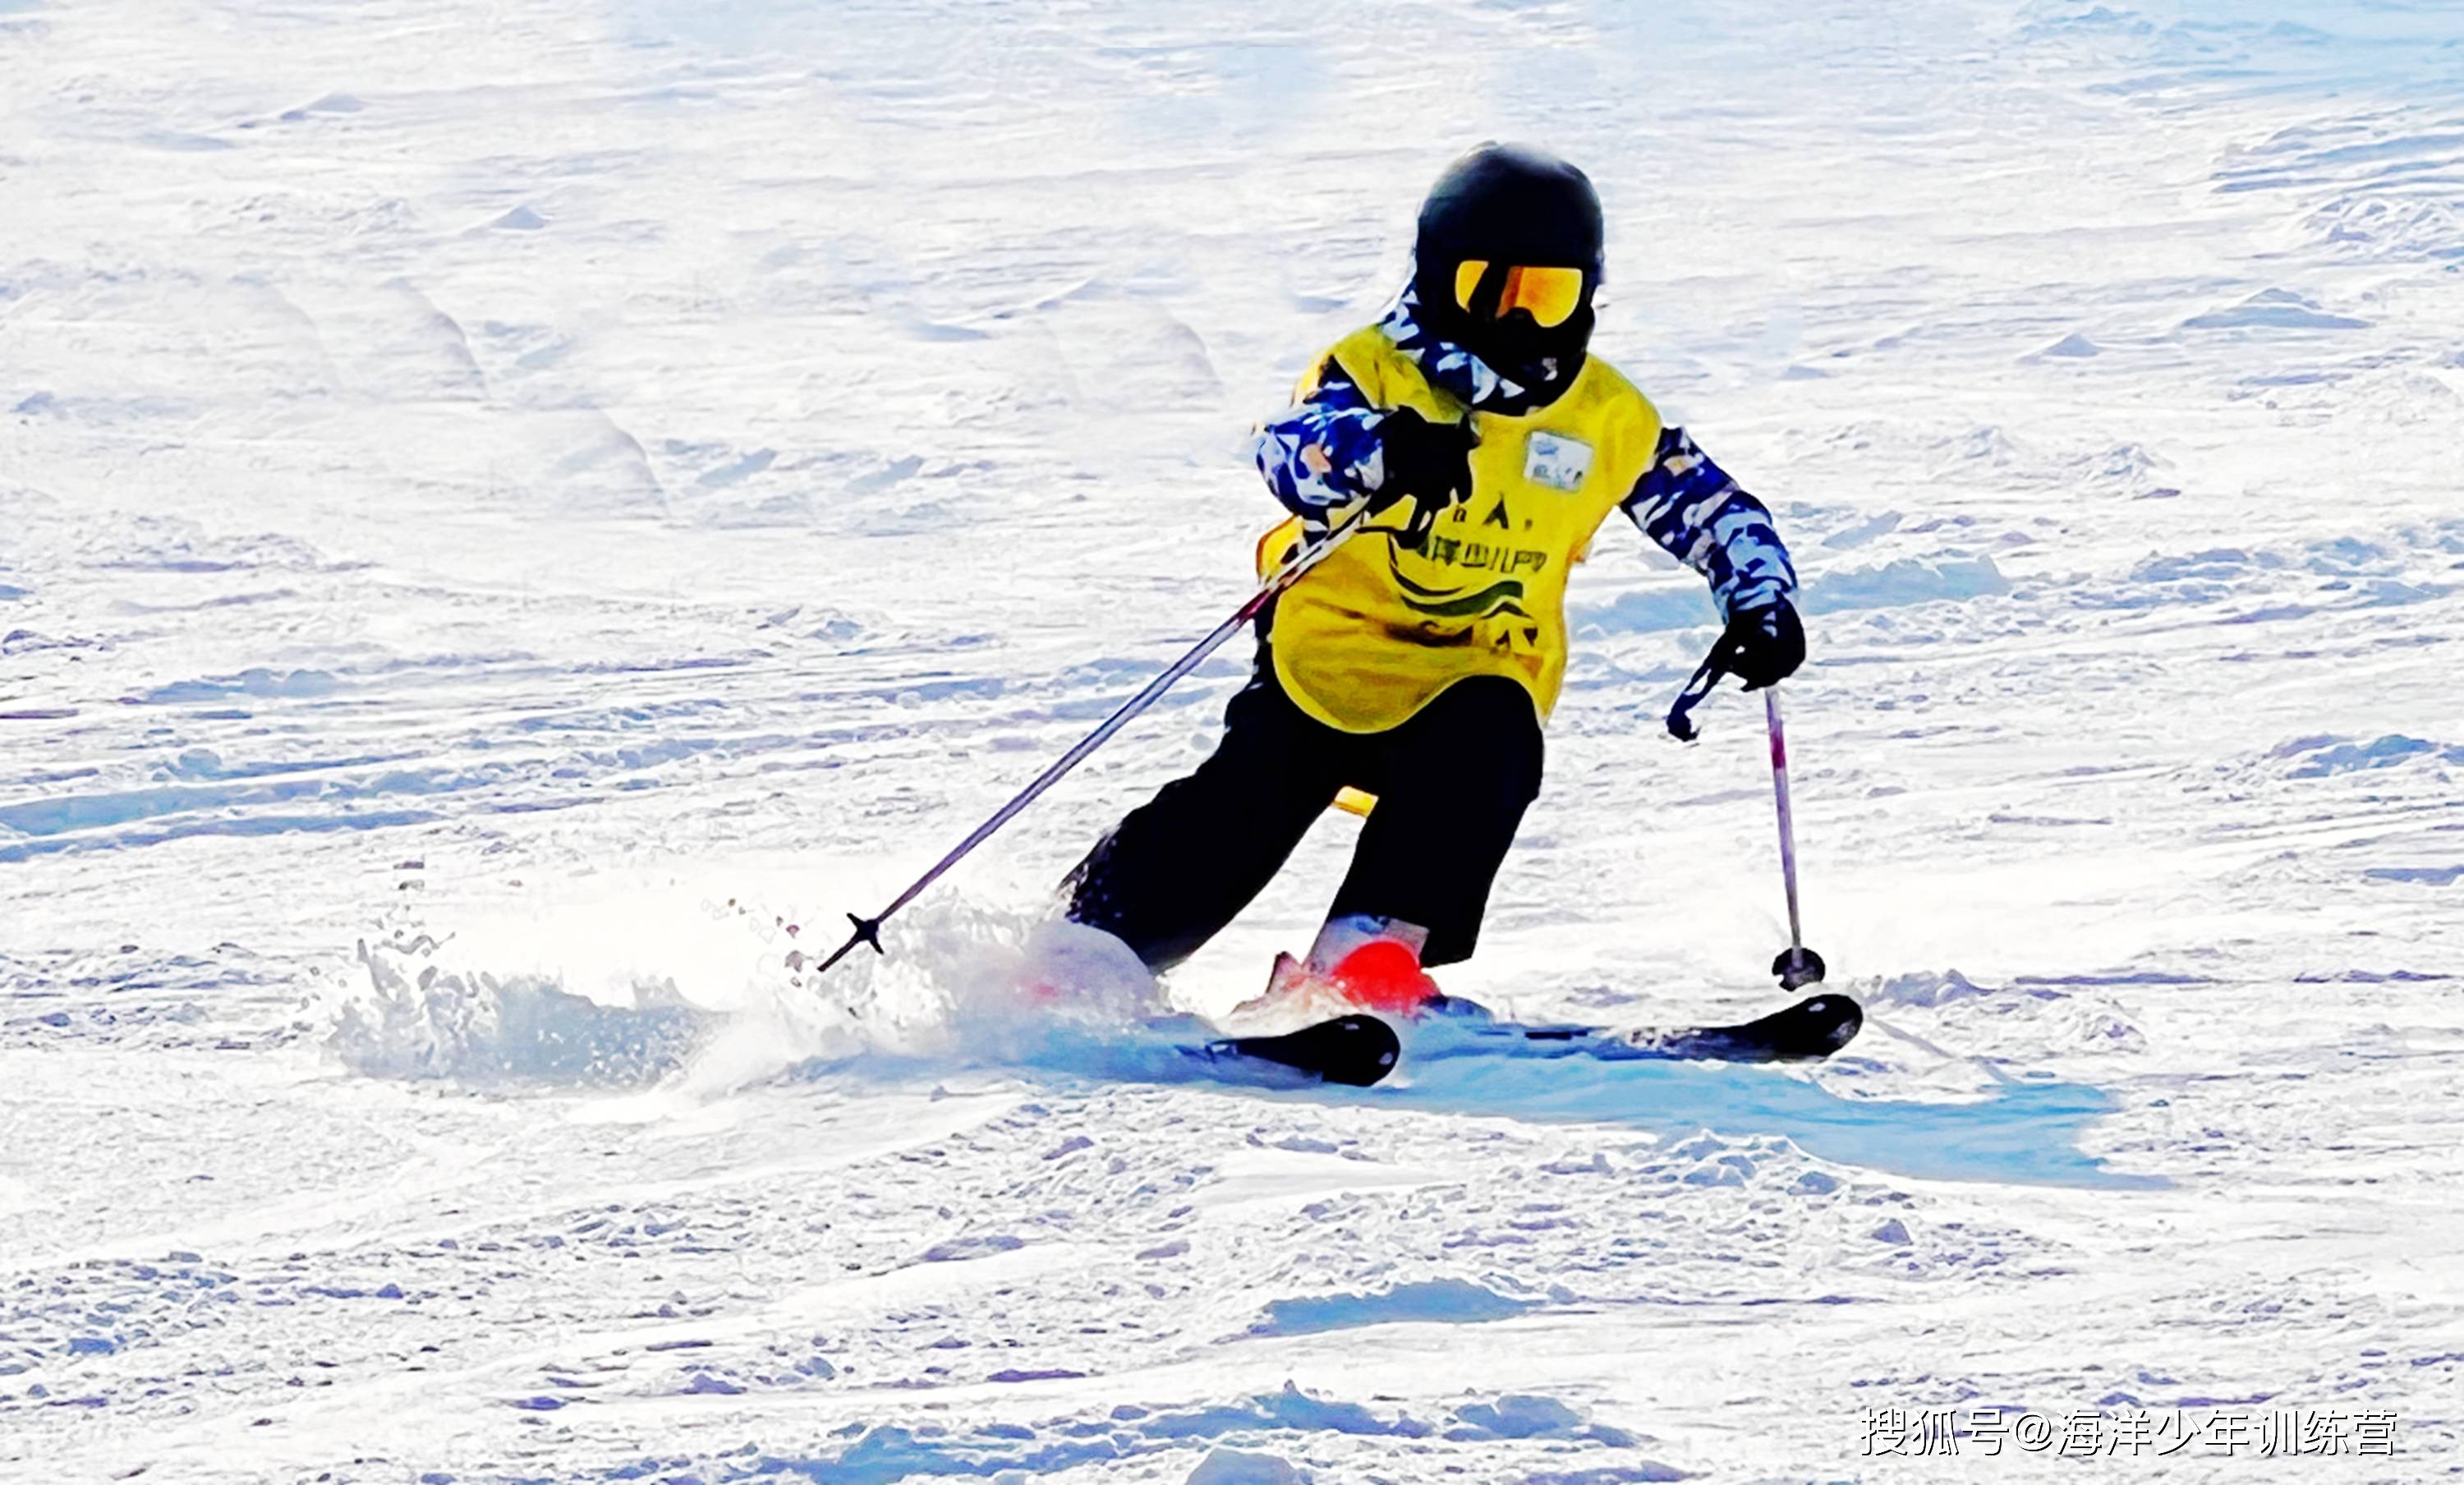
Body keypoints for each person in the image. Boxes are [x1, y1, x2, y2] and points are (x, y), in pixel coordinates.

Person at [1061, 142, 1804, 1014]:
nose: (1517, 322)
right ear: (1437, 278)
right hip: (1334, 657)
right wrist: (1382, 448)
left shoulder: (1607, 414)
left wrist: (1760, 597)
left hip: (1478, 668)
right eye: (1488, 290)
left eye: (1546, 294)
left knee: (1489, 753)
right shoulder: (1374, 367)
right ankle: (1087, 949)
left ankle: (1366, 962)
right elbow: (1290, 452)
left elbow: (1710, 508)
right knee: (1249, 802)